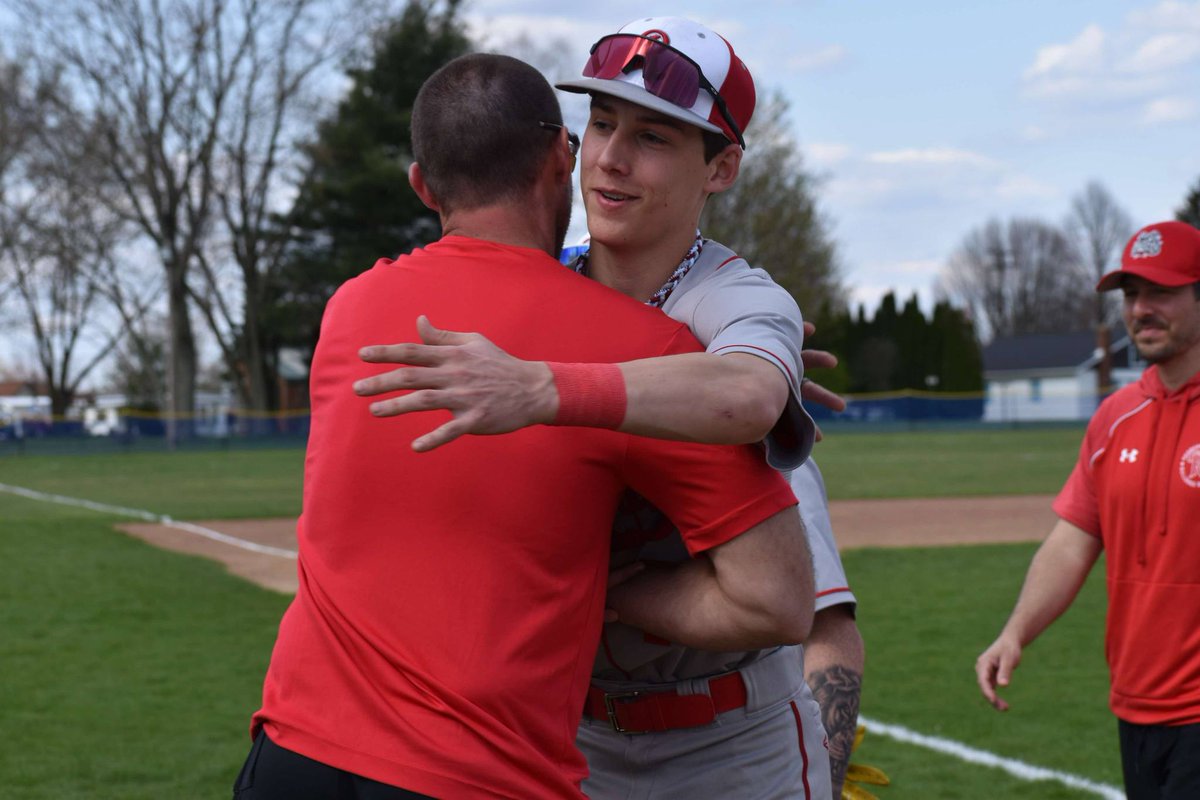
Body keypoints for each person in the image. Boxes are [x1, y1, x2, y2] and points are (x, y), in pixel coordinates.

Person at [234, 53, 817, 800]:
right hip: (478, 775)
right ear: (560, 157)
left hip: (290, 750)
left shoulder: (350, 307)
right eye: (599, 126)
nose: (610, 156)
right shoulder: (647, 347)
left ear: (422, 185)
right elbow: (776, 600)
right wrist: (604, 590)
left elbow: (741, 390)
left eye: (652, 138)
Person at [975, 220, 1200, 800]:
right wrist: (1015, 632)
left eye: (1161, 292)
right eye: (1131, 295)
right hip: (1137, 703)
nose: (1141, 309)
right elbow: (1074, 538)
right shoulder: (1114, 417)